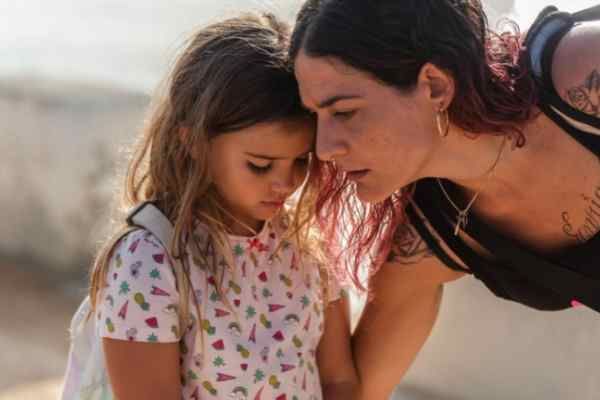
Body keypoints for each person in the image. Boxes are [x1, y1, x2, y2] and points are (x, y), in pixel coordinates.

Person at [289, 0, 600, 398]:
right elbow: (354, 391)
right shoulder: (431, 236)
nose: (324, 147)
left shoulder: (582, 73)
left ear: (434, 85)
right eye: (315, 116)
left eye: (344, 112)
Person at [81, 12, 357, 400]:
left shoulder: (310, 246)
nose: (286, 183)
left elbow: (339, 379)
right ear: (194, 142)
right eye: (260, 165)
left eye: (301, 160)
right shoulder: (150, 263)